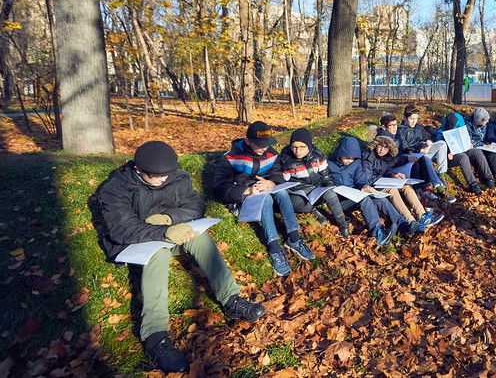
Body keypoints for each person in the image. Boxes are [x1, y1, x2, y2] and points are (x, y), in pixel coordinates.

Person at [97, 141, 265, 373]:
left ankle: (231, 300)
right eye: (156, 177)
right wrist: (162, 232)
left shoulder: (177, 176)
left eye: (167, 175)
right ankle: (155, 336)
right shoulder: (115, 188)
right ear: (138, 170)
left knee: (200, 237)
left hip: (166, 231)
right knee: (156, 253)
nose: (164, 180)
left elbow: (195, 205)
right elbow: (122, 229)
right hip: (132, 243)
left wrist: (168, 219)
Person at [212, 122, 315, 277]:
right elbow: (219, 188)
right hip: (241, 198)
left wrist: (272, 182)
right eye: (260, 144)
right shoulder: (230, 158)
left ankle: (294, 237)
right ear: (248, 141)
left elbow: (278, 173)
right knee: (265, 199)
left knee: (282, 193)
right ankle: (274, 248)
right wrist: (247, 190)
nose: (264, 148)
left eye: (267, 144)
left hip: (263, 189)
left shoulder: (270, 152)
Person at [328, 136, 418, 244]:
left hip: (355, 194)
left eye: (352, 158)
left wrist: (364, 186)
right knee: (365, 200)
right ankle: (378, 232)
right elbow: (325, 183)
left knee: (380, 199)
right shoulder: (329, 164)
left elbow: (360, 178)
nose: (349, 161)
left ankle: (402, 224)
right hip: (340, 200)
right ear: (339, 154)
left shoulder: (355, 163)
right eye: (346, 158)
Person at [268, 128, 350, 236]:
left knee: (330, 194)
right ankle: (313, 211)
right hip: (298, 191)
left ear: (309, 146)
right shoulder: (285, 159)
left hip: (317, 189)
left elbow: (326, 177)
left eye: (302, 147)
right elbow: (282, 180)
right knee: (292, 201)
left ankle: (342, 223)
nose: (297, 151)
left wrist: (328, 186)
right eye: (294, 147)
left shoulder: (317, 156)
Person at [362, 135, 442, 231]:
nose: (382, 150)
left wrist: (393, 175)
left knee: (405, 185)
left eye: (386, 147)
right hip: (370, 186)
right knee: (392, 190)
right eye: (380, 146)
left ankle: (422, 216)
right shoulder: (368, 158)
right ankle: (410, 221)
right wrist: (386, 178)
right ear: (375, 145)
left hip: (381, 181)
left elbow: (385, 170)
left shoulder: (386, 157)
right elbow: (368, 179)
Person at [378, 113, 456, 202]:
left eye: (395, 124)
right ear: (384, 127)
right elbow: (389, 159)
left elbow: (404, 148)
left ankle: (428, 189)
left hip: (403, 159)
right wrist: (407, 157)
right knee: (420, 161)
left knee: (423, 158)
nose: (394, 127)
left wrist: (412, 151)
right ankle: (430, 190)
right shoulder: (384, 139)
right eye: (391, 126)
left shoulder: (397, 134)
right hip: (393, 167)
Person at [434, 111, 496, 194]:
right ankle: (472, 184)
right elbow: (440, 150)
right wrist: (450, 151)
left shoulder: (462, 128)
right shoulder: (440, 134)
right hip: (450, 156)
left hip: (461, 150)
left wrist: (469, 144)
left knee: (476, 152)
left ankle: (488, 178)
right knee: (463, 157)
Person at [397, 104, 449, 178]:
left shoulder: (419, 127)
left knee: (442, 144)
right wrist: (419, 149)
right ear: (405, 117)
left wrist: (428, 143)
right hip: (412, 154)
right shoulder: (400, 130)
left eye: (416, 119)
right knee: (425, 159)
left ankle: (441, 173)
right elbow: (405, 148)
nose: (414, 121)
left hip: (425, 152)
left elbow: (428, 138)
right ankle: (433, 183)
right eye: (411, 119)